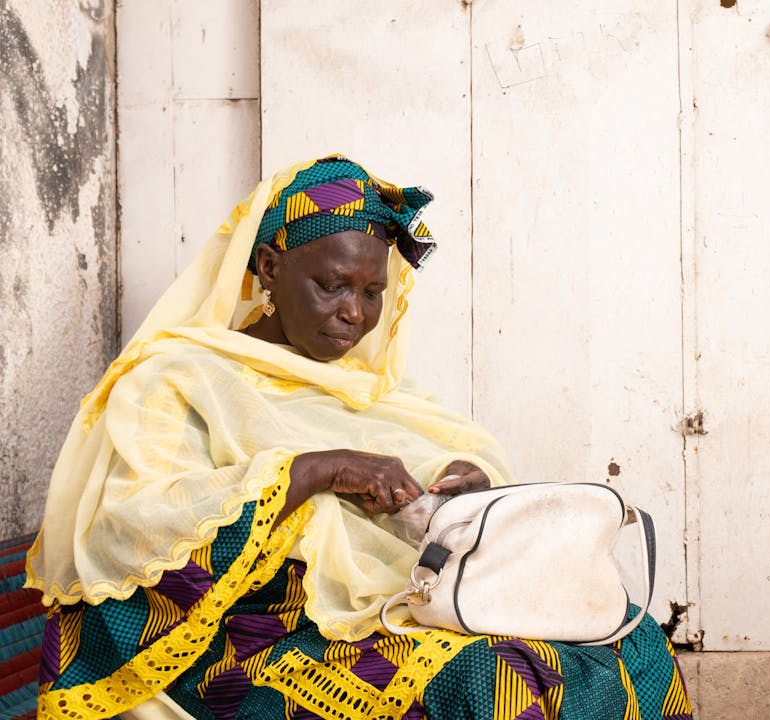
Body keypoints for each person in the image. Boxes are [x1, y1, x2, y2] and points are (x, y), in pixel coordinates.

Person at [25, 155, 693, 720]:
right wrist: (320, 470)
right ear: (268, 266)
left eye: (372, 291)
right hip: (251, 639)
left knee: (628, 643)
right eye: (332, 284)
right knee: (492, 683)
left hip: (391, 604)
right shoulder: (177, 378)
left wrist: (462, 480)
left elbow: (444, 460)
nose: (354, 313)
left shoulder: (362, 388)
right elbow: (131, 530)